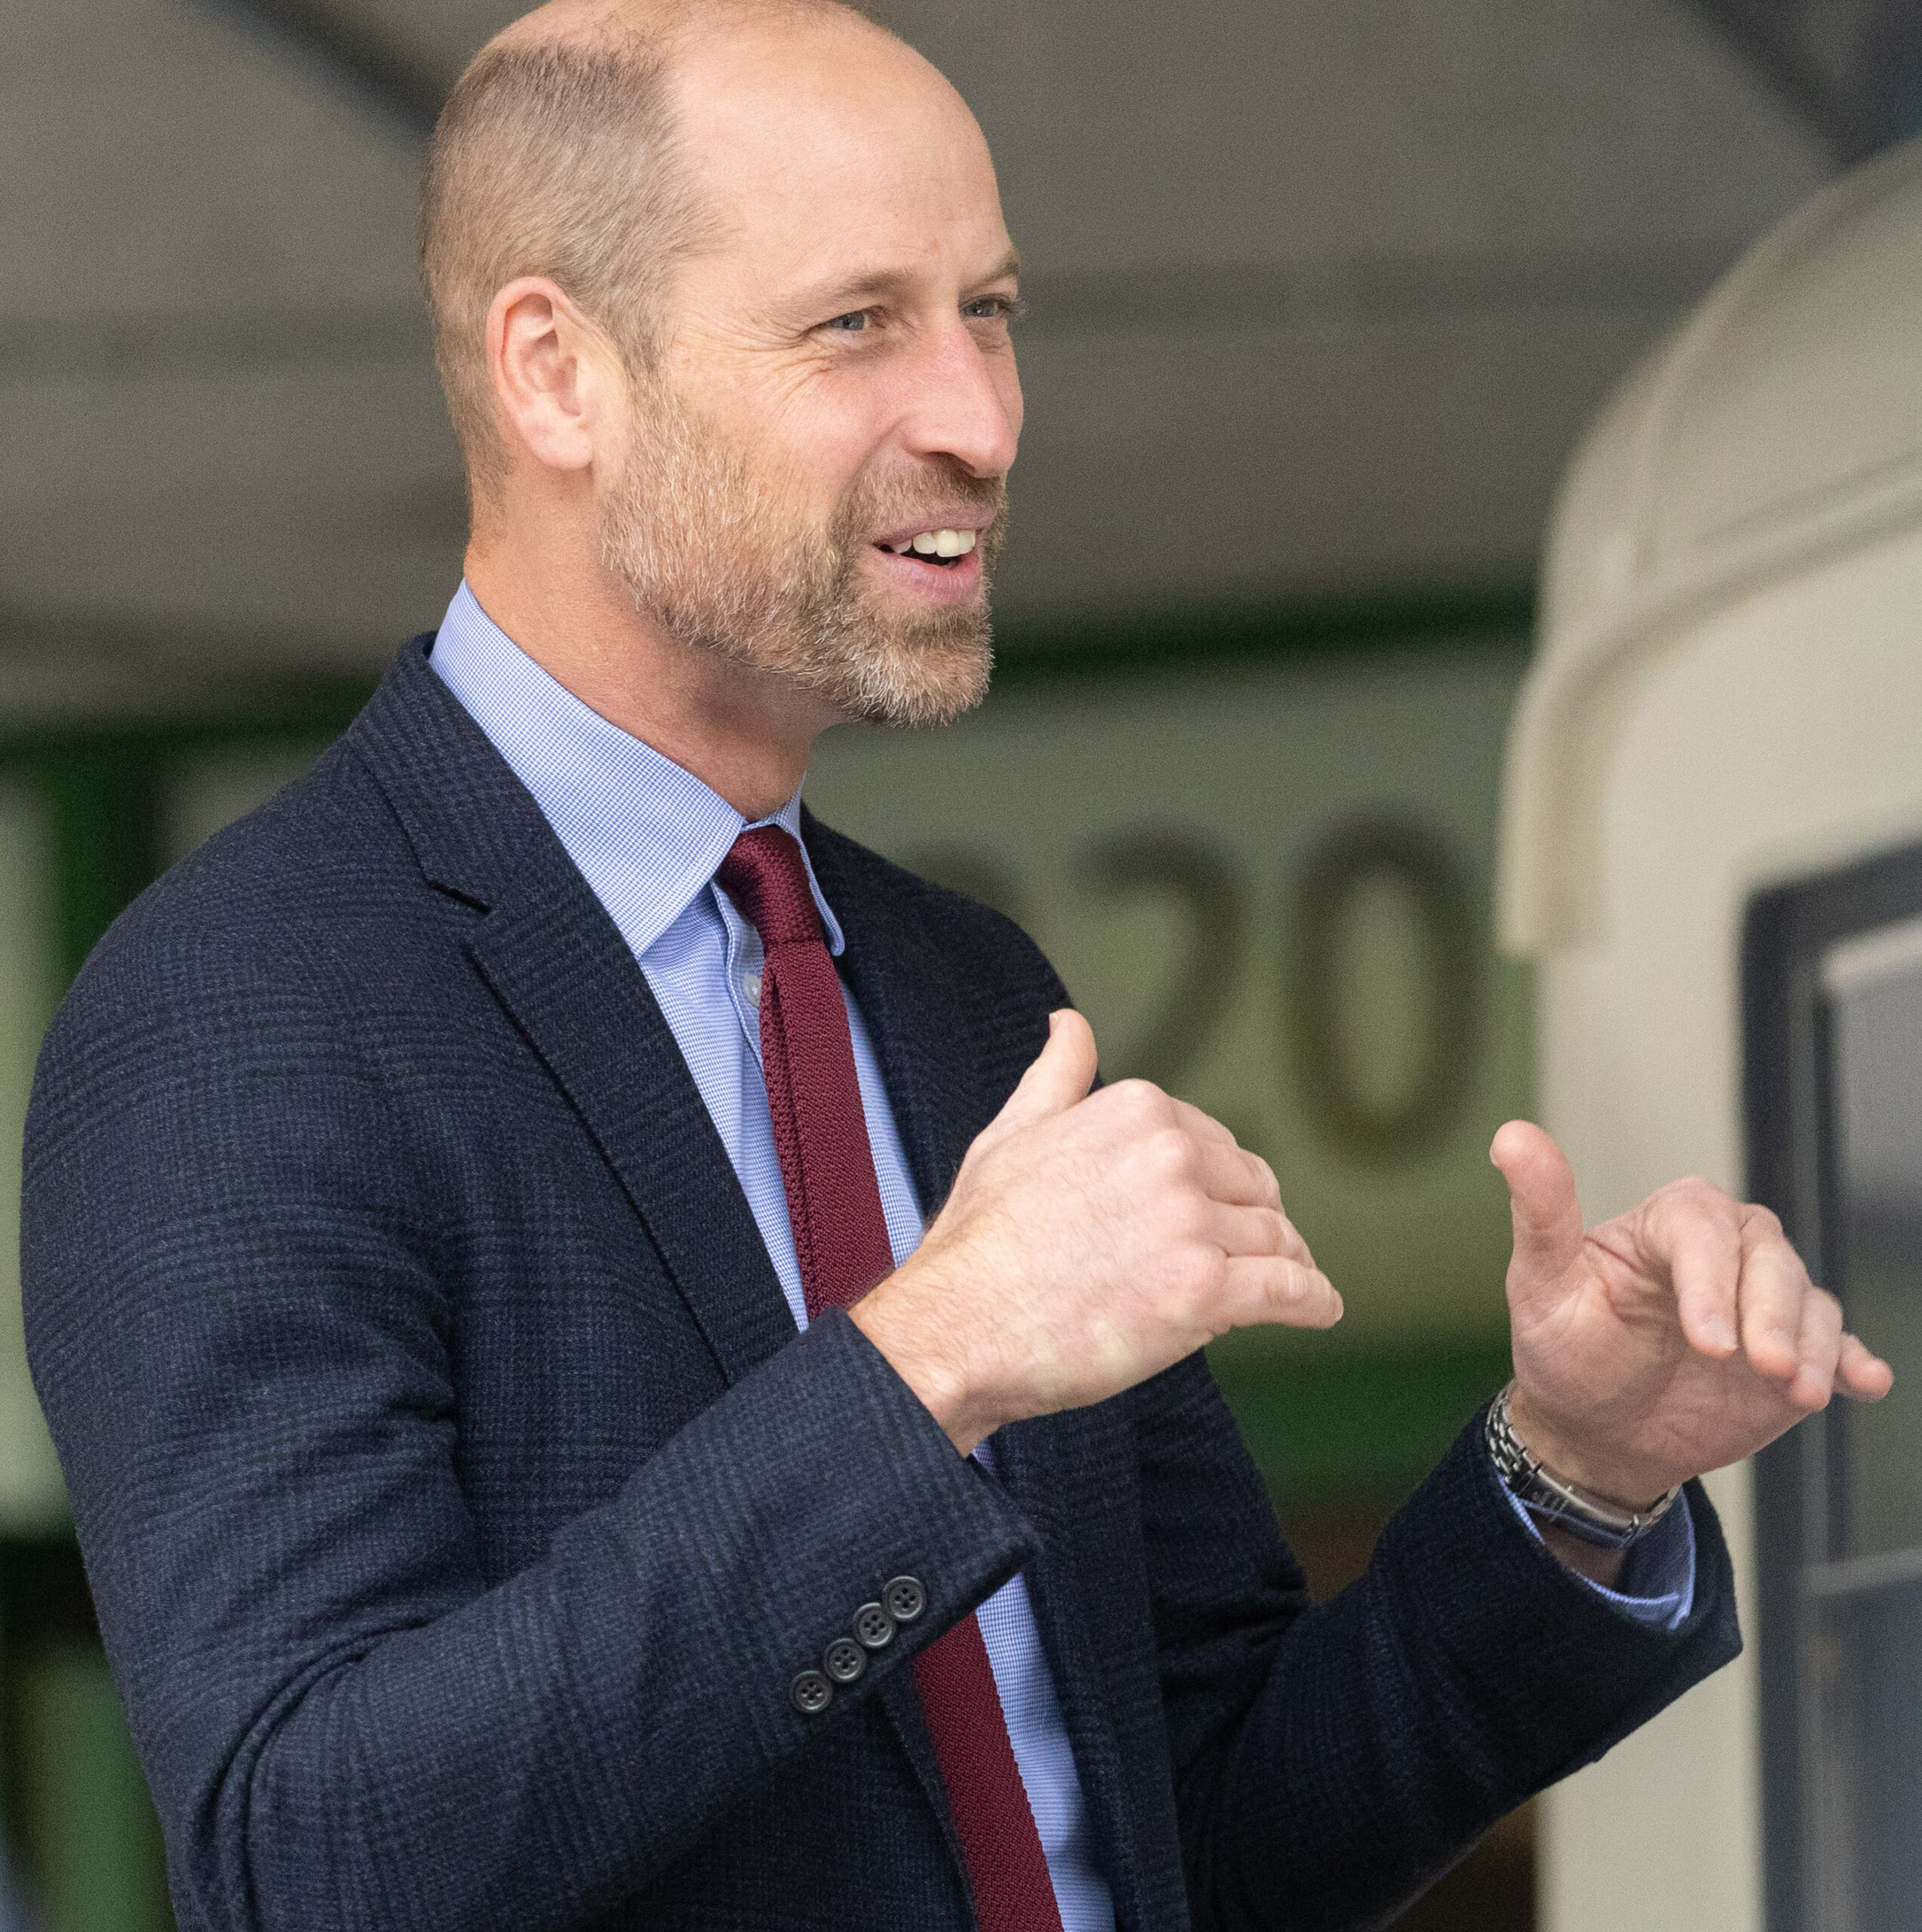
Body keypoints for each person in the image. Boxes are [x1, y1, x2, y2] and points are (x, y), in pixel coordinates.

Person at [22, 4, 1892, 1929]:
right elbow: (315, 1852)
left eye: (987, 312)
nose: (979, 419)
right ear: (555, 371)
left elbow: (1206, 1825)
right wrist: (930, 1362)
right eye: (857, 323)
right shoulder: (240, 1014)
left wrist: (1571, 1475)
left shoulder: (959, 992)